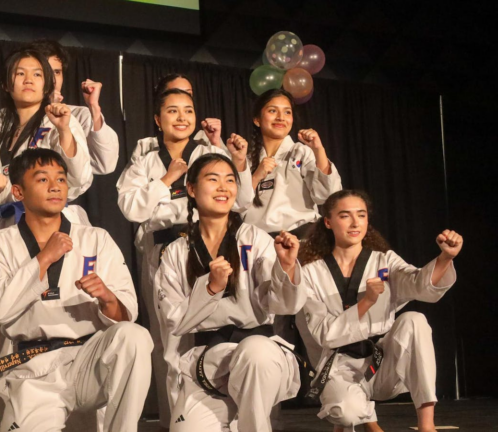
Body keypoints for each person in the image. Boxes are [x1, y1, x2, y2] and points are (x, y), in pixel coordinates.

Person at [0, 149, 152, 431]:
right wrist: (44, 258)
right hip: (34, 368)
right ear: (19, 192)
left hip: (90, 360)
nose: (55, 186)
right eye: (43, 179)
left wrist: (108, 298)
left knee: (134, 336)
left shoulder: (95, 238)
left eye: (60, 179)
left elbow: (125, 316)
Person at [116, 88, 251, 430]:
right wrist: (167, 179)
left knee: (220, 326)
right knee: (169, 337)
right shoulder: (146, 159)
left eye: (188, 111)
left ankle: (226, 416)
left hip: (210, 245)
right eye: (172, 111)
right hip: (163, 250)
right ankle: (174, 416)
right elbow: (131, 208)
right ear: (158, 120)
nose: (182, 118)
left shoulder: (209, 151)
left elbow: (240, 200)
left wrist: (233, 158)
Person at [155, 152, 306, 431]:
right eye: (213, 179)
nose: (223, 187)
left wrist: (286, 268)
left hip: (260, 357)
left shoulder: (255, 239)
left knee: (255, 350)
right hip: (208, 362)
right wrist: (211, 288)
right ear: (190, 188)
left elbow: (284, 305)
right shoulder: (176, 253)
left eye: (230, 180)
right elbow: (174, 321)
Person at [298, 190, 461, 432]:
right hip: (339, 365)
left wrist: (445, 258)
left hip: (381, 364)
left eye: (361, 215)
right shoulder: (310, 273)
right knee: (345, 413)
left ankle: (427, 425)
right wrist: (367, 302)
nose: (355, 223)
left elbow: (419, 283)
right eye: (345, 216)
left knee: (414, 320)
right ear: (328, 222)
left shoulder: (384, 261)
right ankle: (360, 416)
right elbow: (326, 334)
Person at [0, 47, 93, 230]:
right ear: (5, 84)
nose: (28, 80)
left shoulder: (58, 120)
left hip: (50, 224)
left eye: (37, 75)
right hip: (7, 226)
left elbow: (79, 178)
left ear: (46, 85)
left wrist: (63, 130)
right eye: (20, 73)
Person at [242, 88, 341, 238]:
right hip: (258, 241)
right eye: (273, 111)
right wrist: (256, 176)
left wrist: (318, 150)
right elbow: (238, 205)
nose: (281, 117)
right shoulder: (246, 161)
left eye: (287, 112)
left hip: (301, 236)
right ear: (257, 119)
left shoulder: (301, 152)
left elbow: (328, 196)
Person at [27, 39, 120, 175]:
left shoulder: (77, 115)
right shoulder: (9, 117)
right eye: (43, 72)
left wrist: (94, 107)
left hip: (60, 195)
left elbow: (105, 164)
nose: (52, 79)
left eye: (57, 72)